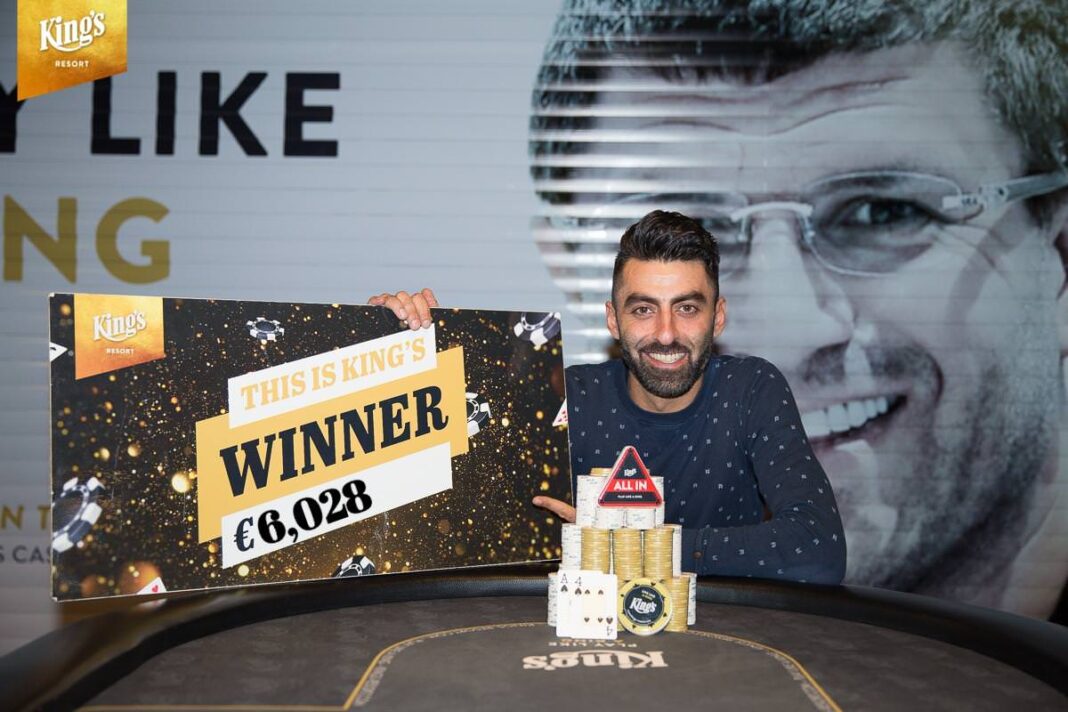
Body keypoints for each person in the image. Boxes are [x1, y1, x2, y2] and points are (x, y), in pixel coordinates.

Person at [527, 0, 1068, 617]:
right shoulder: (562, 425)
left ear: (1061, 255)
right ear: (581, 282)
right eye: (681, 237)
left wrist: (630, 549)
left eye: (881, 213)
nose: (785, 332)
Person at [370, 210, 847, 584]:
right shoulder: (565, 399)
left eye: (686, 308)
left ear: (717, 317)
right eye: (643, 310)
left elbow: (819, 550)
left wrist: (631, 547)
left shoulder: (752, 389)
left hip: (721, 652)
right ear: (613, 320)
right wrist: (397, 363)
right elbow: (442, 513)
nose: (666, 334)